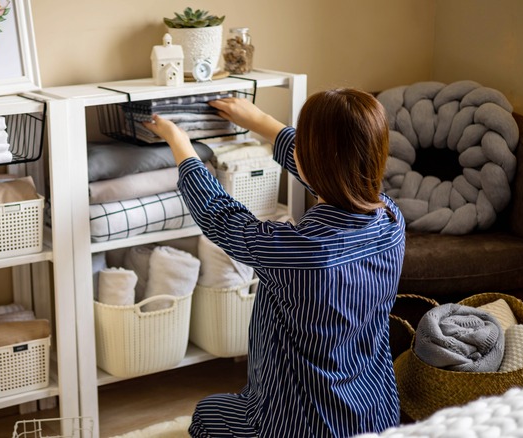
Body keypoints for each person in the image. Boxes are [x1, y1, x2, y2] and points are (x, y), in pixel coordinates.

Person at [142, 88, 405, 438]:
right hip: (377, 416)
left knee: (206, 416)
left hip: (297, 427)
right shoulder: (391, 220)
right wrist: (260, 122)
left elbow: (221, 216)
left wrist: (179, 141)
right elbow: (331, 172)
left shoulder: (299, 251)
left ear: (311, 162)